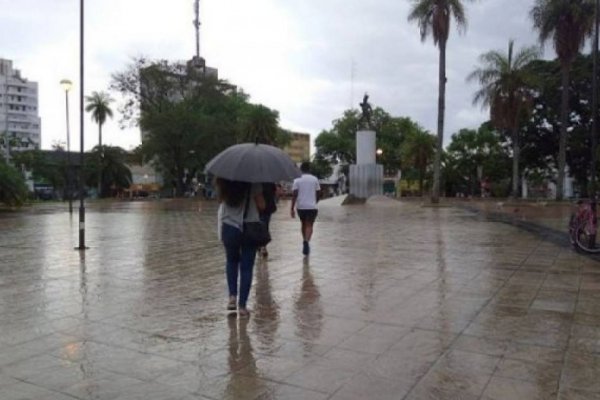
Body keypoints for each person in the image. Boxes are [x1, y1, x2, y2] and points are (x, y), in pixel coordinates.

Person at [216, 178, 265, 317]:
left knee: (231, 261)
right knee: (247, 267)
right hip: (250, 228)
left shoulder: (224, 180)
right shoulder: (254, 181)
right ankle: (242, 306)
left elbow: (220, 201)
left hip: (229, 226)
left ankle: (232, 296)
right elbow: (261, 205)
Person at [290, 162, 321, 256]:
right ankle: (306, 241)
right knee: (309, 225)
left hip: (301, 207)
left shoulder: (297, 180)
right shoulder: (314, 179)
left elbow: (294, 194)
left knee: (303, 224)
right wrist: (315, 201)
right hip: (312, 207)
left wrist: (292, 208)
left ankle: (304, 240)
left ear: (301, 169)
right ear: (309, 169)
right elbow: (319, 192)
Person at [258, 182, 278, 259]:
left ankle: (261, 246)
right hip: (268, 207)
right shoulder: (270, 181)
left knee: (259, 226)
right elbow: (275, 193)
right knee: (265, 226)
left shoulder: (255, 181)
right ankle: (262, 246)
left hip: (257, 208)